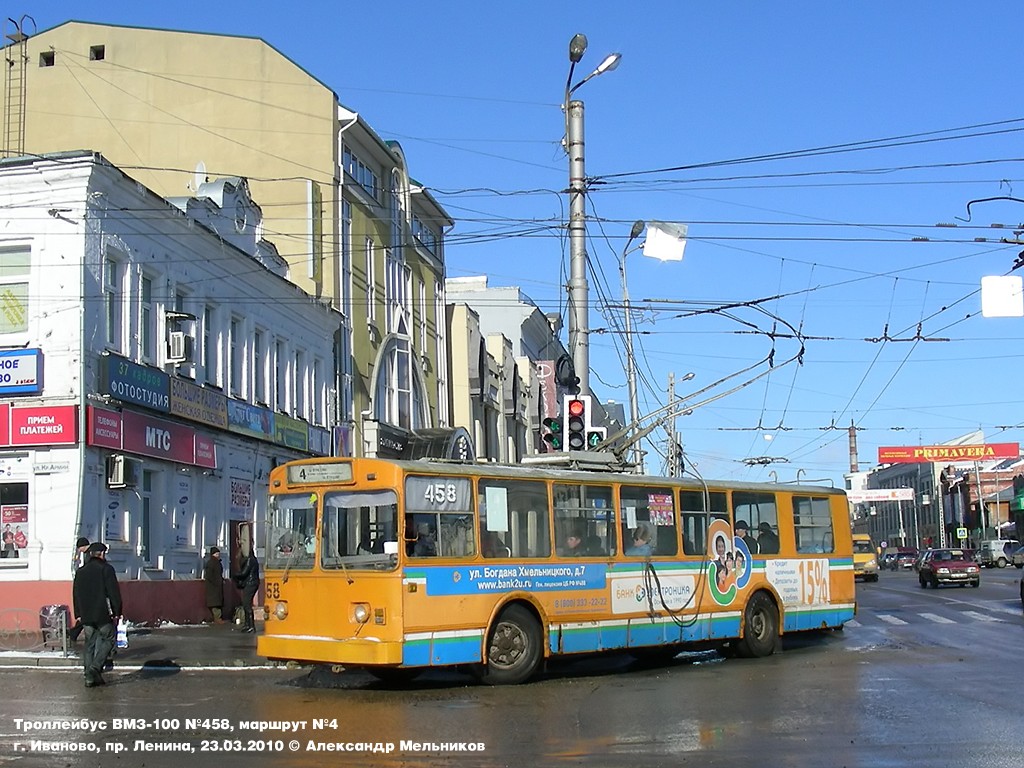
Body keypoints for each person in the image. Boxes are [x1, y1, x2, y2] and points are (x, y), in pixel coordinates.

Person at [72, 542, 122, 687]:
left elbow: (75, 593)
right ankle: (95, 667)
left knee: (89, 645)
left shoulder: (80, 571)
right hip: (102, 613)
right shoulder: (106, 569)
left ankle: (89, 677)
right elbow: (114, 593)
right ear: (102, 554)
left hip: (86, 614)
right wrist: (117, 612)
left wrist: (78, 613)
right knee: (110, 638)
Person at [235, 549, 260, 633]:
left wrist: (235, 575)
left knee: (247, 604)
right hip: (251, 583)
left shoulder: (250, 560)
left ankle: (251, 626)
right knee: (246, 603)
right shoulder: (252, 559)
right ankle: (247, 624)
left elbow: (244, 573)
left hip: (251, 583)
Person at [203, 546, 225, 623]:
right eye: (216, 553)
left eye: (218, 553)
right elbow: (209, 575)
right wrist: (217, 581)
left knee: (217, 602)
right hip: (213, 587)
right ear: (213, 554)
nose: (218, 555)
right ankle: (217, 618)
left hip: (217, 586)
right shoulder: (211, 563)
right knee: (215, 603)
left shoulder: (217, 562)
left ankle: (218, 618)